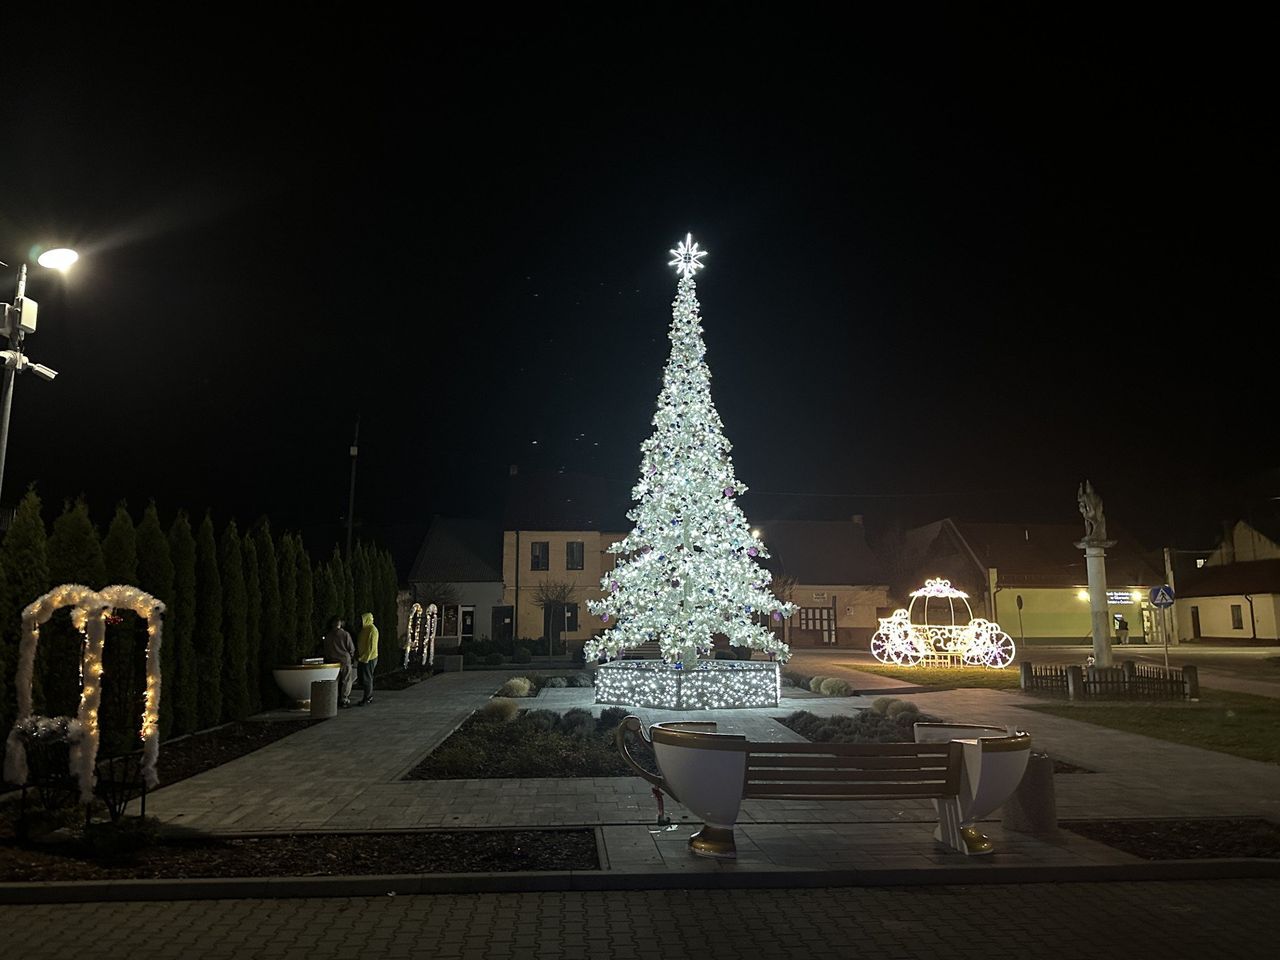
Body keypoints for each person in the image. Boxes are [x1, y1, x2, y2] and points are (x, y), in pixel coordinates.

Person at [321, 615, 357, 707]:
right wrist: (352, 656)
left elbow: (326, 649)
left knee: (335, 680)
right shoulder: (345, 634)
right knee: (346, 680)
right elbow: (351, 648)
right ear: (340, 624)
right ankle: (344, 699)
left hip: (332, 661)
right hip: (344, 660)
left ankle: (334, 698)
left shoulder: (328, 635)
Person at [356, 611, 379, 705]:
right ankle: (367, 697)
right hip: (363, 658)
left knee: (367, 678)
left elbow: (371, 646)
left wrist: (365, 658)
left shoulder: (372, 630)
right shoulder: (364, 629)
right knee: (364, 678)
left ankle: (368, 697)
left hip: (369, 658)